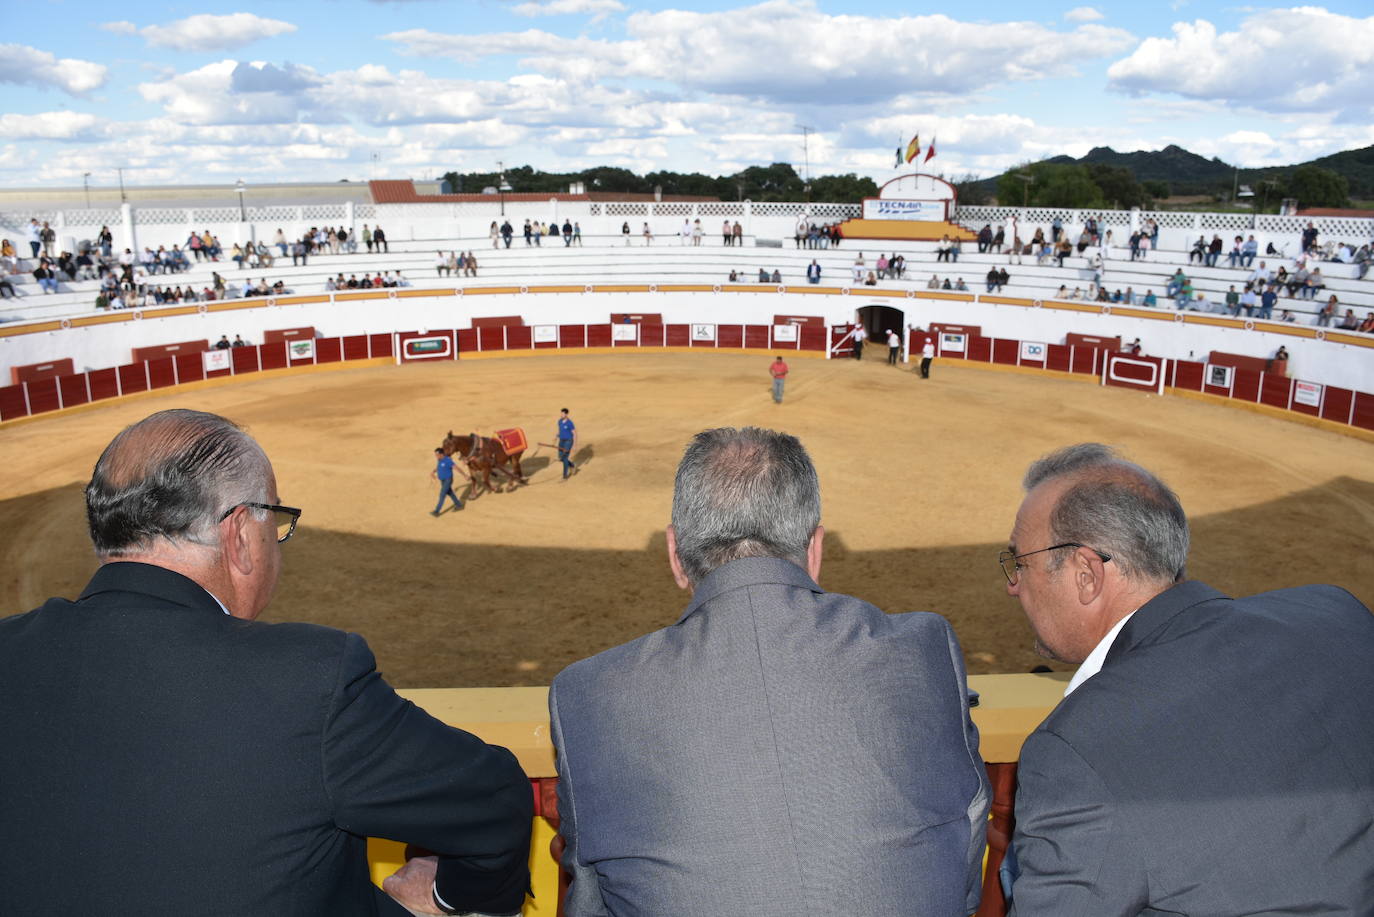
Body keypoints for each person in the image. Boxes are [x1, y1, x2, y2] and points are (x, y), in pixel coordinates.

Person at [0, 409, 532, 916]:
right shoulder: (312, 678)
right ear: (238, 536)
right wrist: (442, 897)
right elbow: (497, 802)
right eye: (274, 519)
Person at [550, 427, 989, 917]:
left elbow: (588, 894)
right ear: (815, 550)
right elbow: (968, 832)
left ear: (676, 556)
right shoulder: (923, 648)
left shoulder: (589, 693)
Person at [1001, 442, 1374, 916]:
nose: (1014, 585)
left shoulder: (1078, 750)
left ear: (1086, 574)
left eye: (1021, 562)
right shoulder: (1336, 612)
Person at [431, 446, 465, 516]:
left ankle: (437, 511)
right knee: (450, 493)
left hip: (448, 480)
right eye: (435, 455)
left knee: (442, 494)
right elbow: (438, 467)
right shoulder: (439, 460)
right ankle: (459, 505)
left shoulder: (448, 460)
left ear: (441, 454)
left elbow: (457, 468)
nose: (436, 456)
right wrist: (433, 471)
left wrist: (465, 475)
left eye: (437, 455)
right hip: (442, 480)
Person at [557, 407, 577, 479]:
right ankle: (572, 465)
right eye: (561, 413)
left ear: (566, 414)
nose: (561, 414)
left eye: (563, 413)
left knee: (565, 457)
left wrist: (574, 445)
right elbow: (559, 429)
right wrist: (557, 436)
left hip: (568, 441)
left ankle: (565, 476)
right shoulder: (559, 421)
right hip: (561, 441)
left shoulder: (570, 423)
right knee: (560, 457)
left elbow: (574, 434)